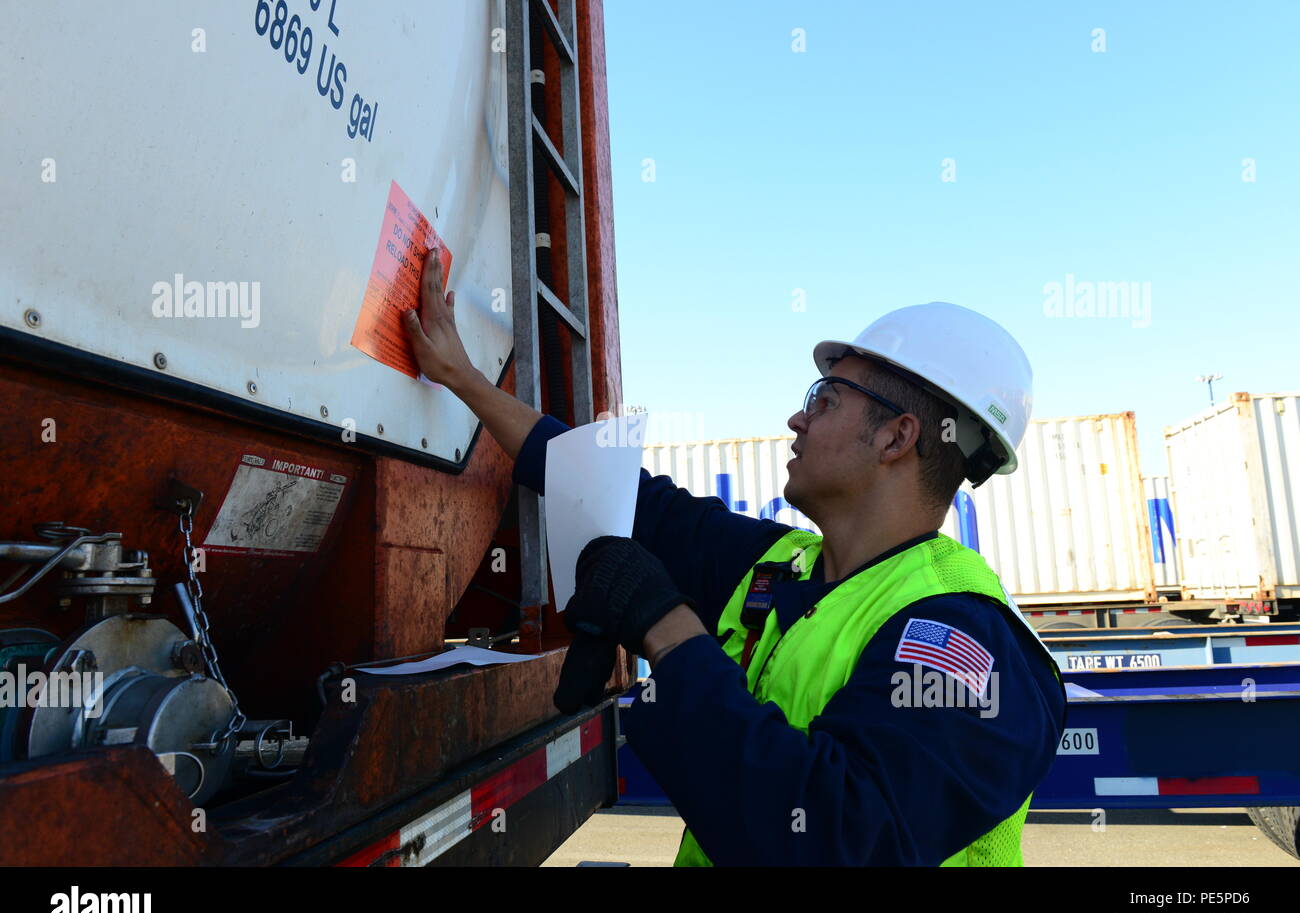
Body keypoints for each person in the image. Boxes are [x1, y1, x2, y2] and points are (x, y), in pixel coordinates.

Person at [403, 251, 1066, 866]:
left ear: (897, 436)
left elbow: (834, 837)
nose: (796, 420)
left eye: (823, 400)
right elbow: (603, 482)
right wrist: (460, 377)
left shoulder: (966, 640)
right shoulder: (784, 565)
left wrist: (666, 627)